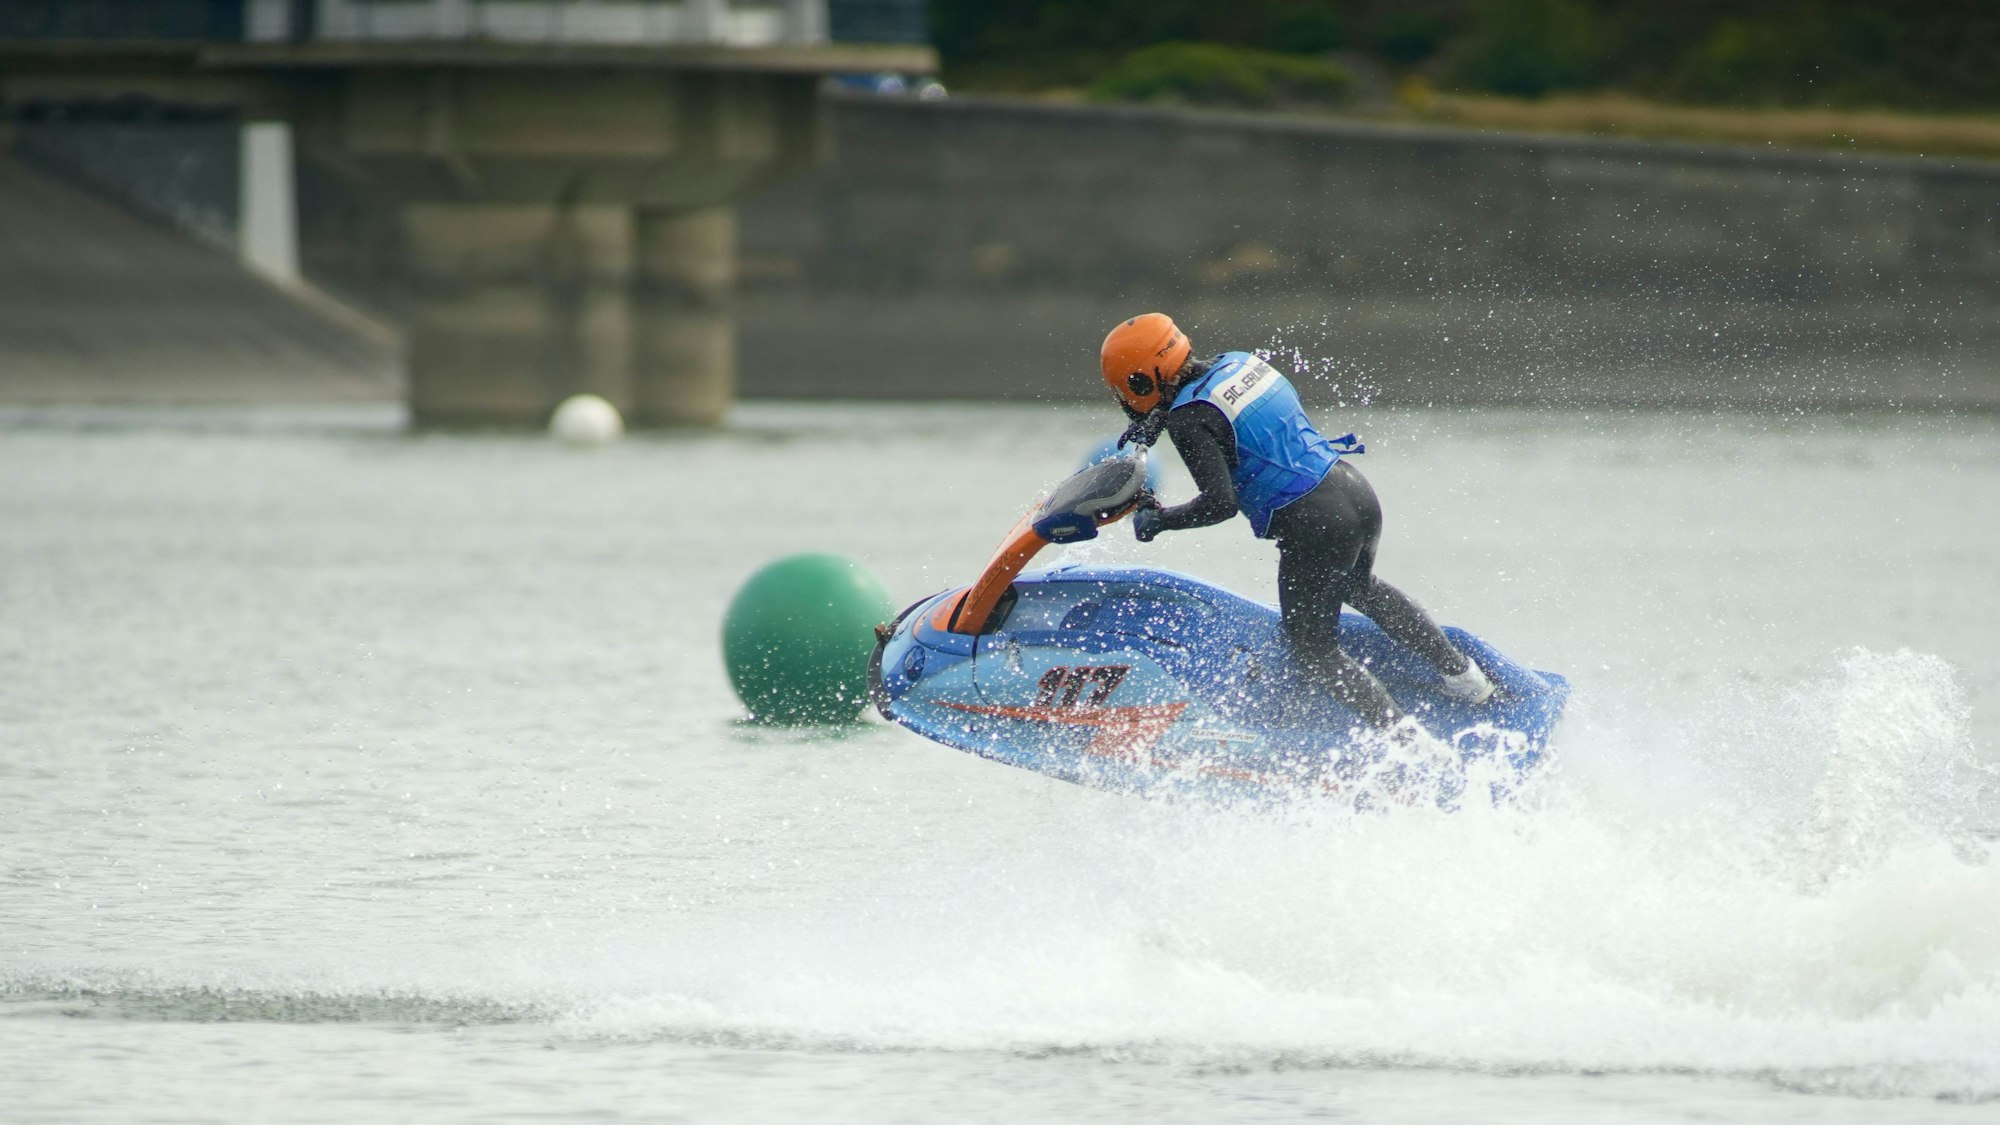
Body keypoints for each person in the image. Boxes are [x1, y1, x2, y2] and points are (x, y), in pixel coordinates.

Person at [1100, 312, 1493, 733]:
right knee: (1360, 585)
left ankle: (1410, 744)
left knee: (1312, 648)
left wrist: (1160, 520)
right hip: (1352, 490)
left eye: (1126, 388)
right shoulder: (1239, 361)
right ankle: (1469, 680)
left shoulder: (1187, 421)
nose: (1125, 399)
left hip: (1314, 524)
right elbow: (1227, 413)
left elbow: (1219, 504)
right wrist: (1163, 416)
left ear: (1143, 381)